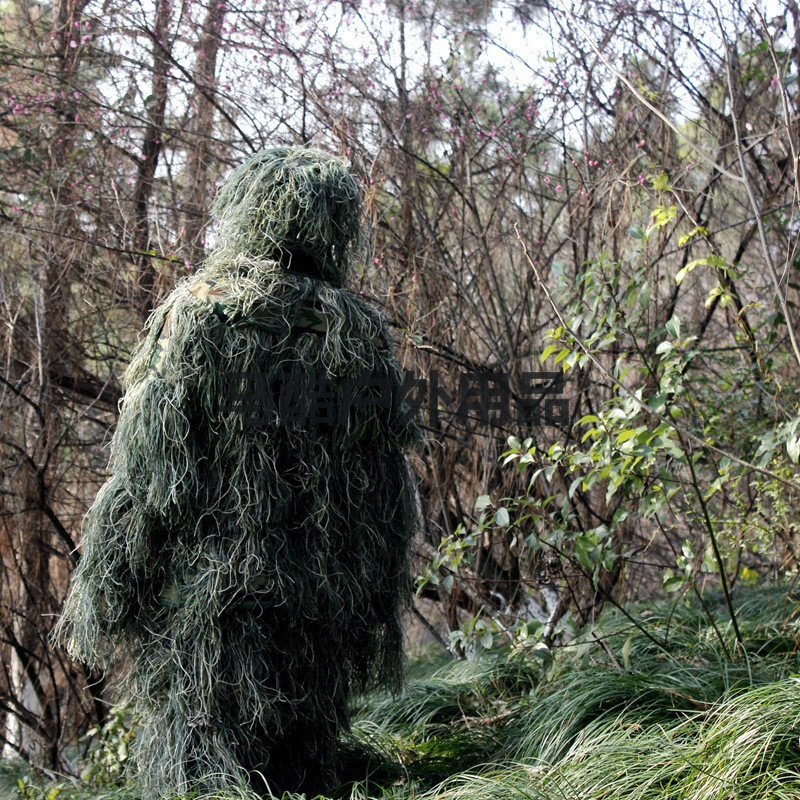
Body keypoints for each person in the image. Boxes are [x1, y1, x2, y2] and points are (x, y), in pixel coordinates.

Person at [51, 146, 424, 799]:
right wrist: (368, 602)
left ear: (250, 212)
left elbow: (147, 474)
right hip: (317, 607)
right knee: (302, 767)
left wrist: (113, 588)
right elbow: (387, 491)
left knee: (201, 768)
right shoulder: (358, 331)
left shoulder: (201, 311)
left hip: (209, 606)